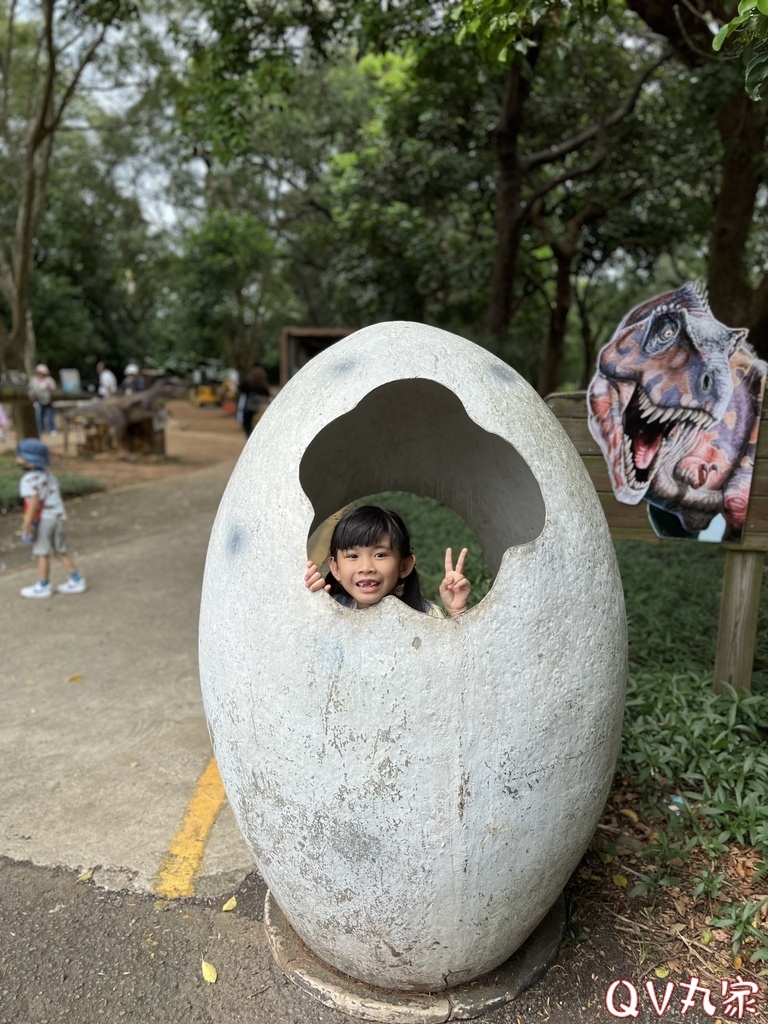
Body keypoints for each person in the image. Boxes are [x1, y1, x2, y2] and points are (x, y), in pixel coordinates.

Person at [304, 505, 470, 618]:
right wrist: (315, 606)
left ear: (404, 566)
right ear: (336, 568)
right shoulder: (332, 607)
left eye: (380, 555)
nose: (366, 568)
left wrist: (458, 612)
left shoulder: (427, 615)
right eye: (353, 556)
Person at [16, 437, 87, 599]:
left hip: (45, 520)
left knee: (42, 552)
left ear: (28, 460)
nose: (17, 458)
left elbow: (33, 502)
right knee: (60, 551)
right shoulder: (48, 476)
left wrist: (27, 523)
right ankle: (76, 580)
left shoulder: (28, 480)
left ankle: (43, 585)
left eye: (19, 455)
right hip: (59, 516)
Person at [238, 366, 272, 437]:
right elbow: (268, 397)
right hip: (258, 412)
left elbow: (238, 390)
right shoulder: (262, 386)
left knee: (248, 430)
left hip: (247, 411)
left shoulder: (246, 383)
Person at [28, 363, 57, 435]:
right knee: (39, 416)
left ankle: (52, 429)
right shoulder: (34, 381)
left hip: (49, 402)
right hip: (38, 401)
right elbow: (30, 390)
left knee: (49, 416)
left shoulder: (49, 380)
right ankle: (41, 430)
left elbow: (54, 389)